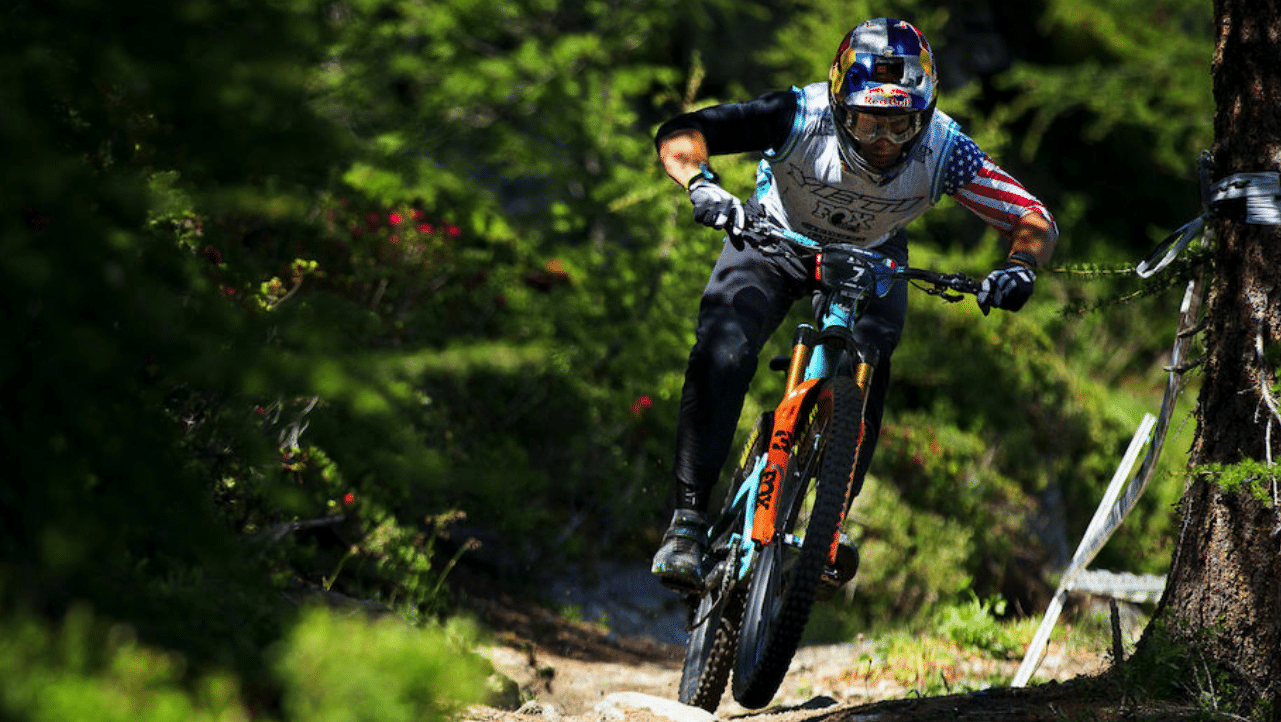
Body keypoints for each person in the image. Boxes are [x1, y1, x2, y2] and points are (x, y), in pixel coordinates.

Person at [650, 17, 1058, 594]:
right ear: (842, 107)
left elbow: (1031, 217)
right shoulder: (798, 113)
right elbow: (685, 131)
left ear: (927, 111)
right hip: (774, 238)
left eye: (903, 122)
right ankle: (687, 523)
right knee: (724, 351)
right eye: (869, 122)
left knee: (866, 367)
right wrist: (701, 184)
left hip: (873, 254)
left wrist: (1019, 267)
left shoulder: (945, 148)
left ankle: (829, 523)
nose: (887, 141)